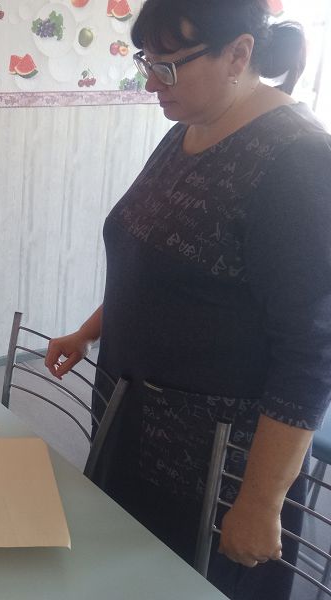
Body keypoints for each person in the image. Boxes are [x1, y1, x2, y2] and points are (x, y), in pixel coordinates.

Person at [44, 2, 331, 599]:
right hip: (134, 420)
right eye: (146, 61)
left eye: (169, 65)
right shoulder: (190, 127)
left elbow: (311, 355)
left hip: (217, 465)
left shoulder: (299, 160)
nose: (151, 82)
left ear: (239, 53)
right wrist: (91, 330)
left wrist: (261, 502)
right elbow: (155, 263)